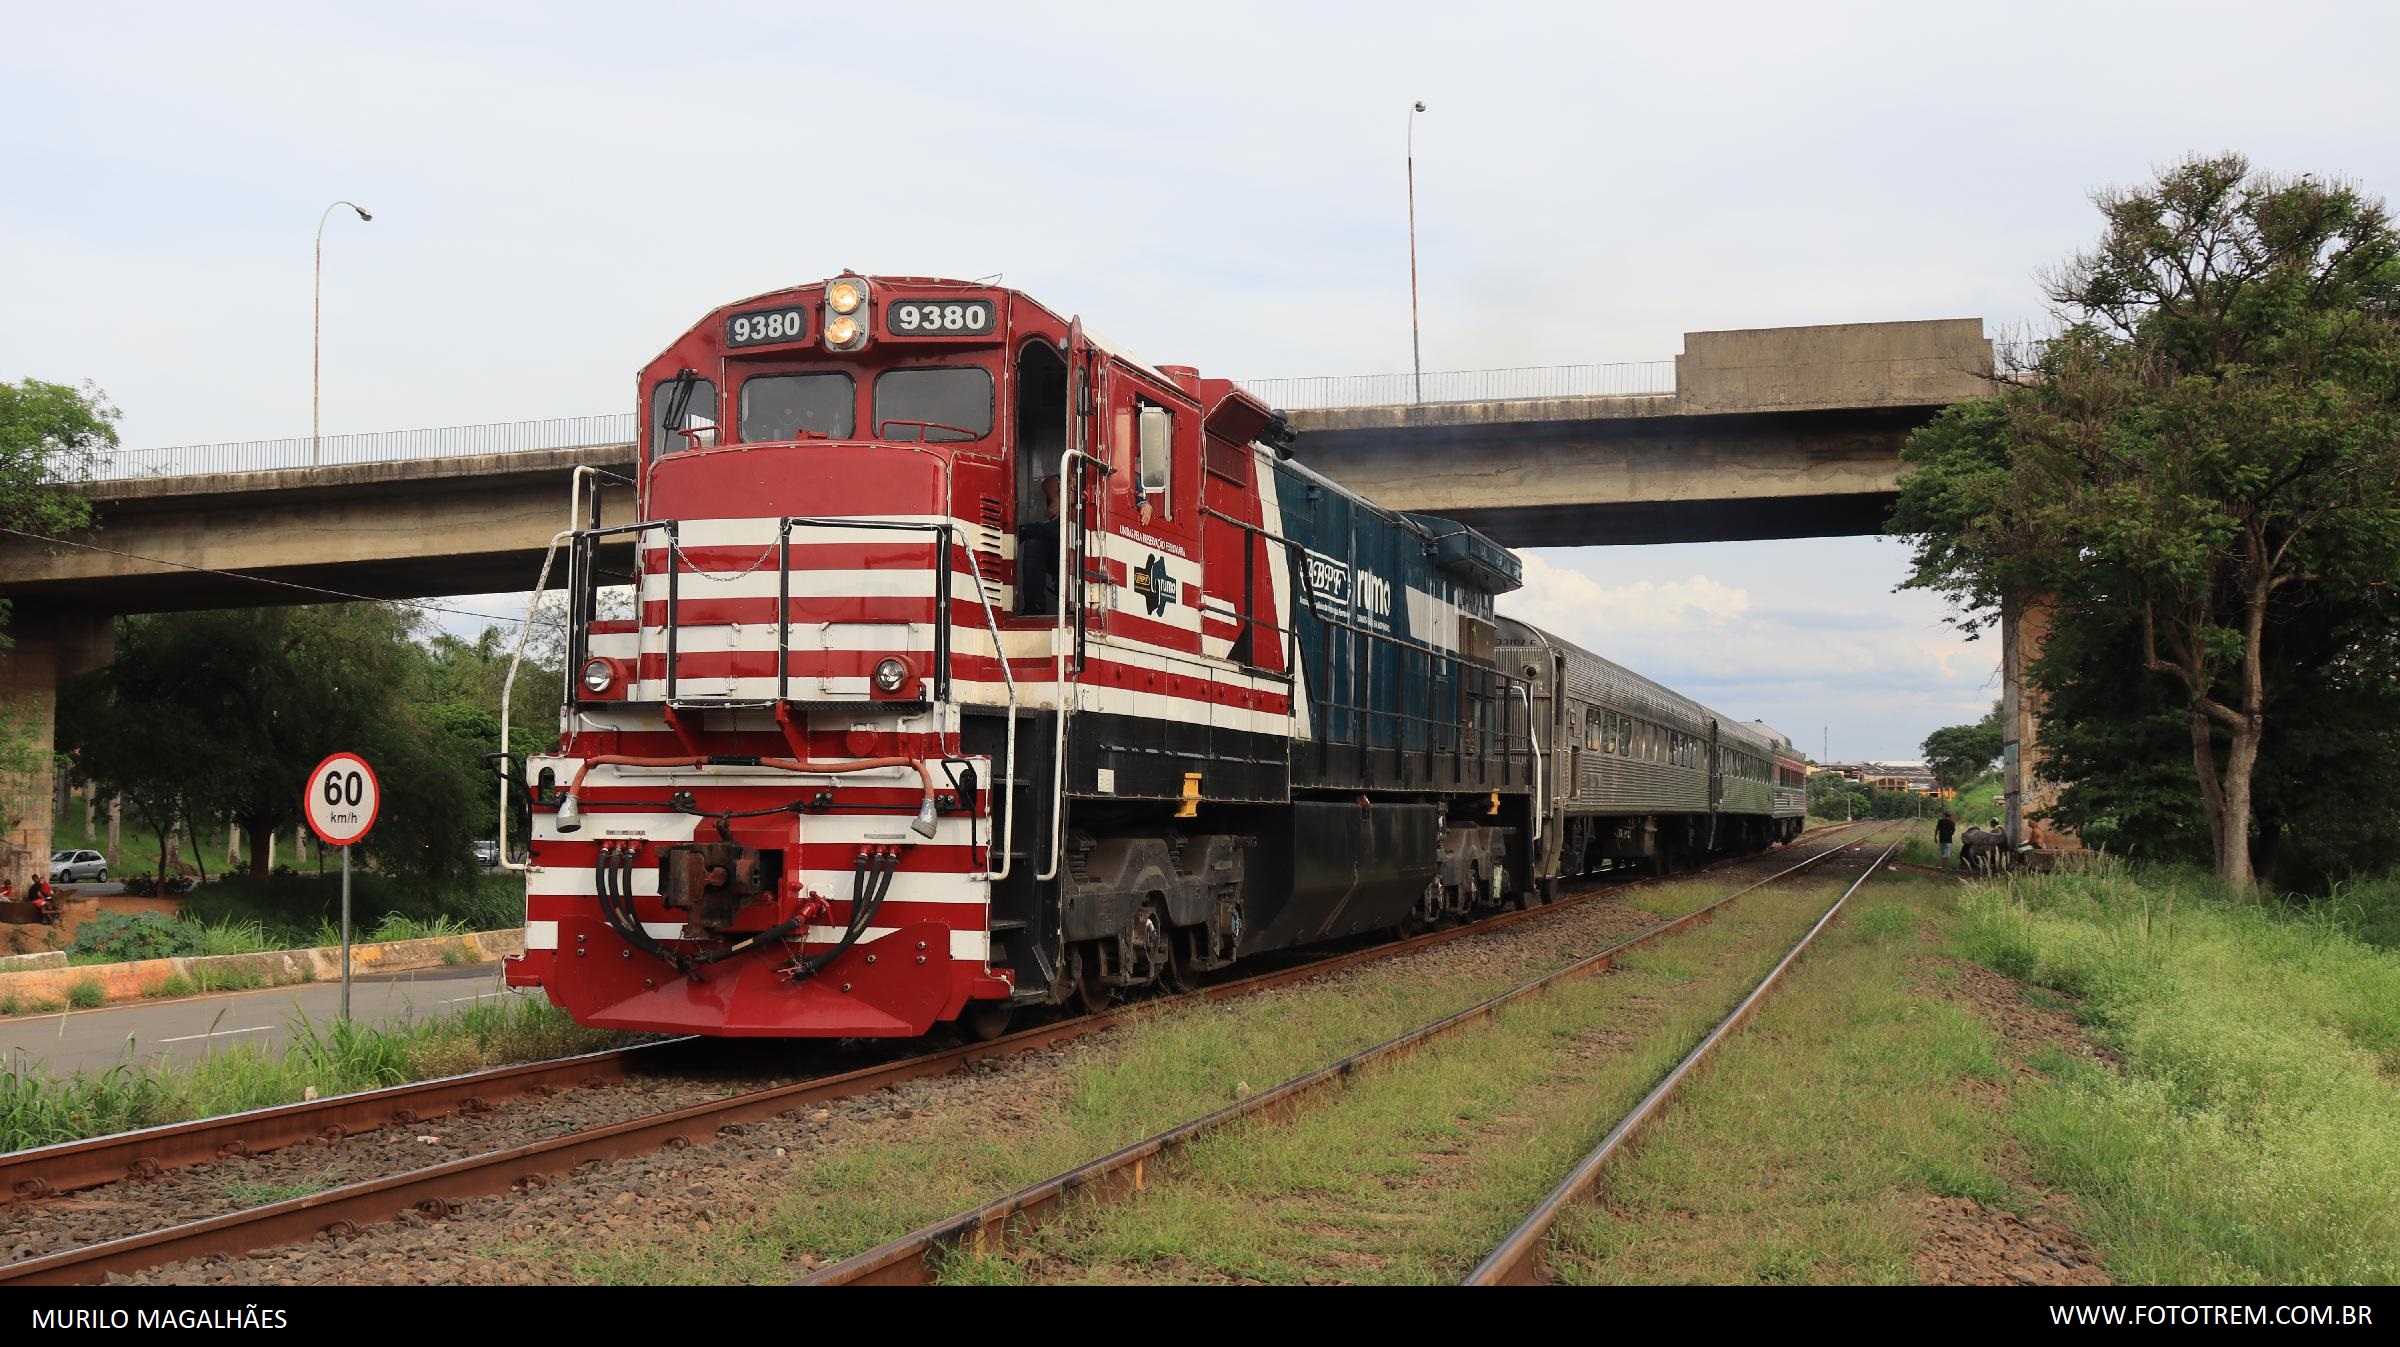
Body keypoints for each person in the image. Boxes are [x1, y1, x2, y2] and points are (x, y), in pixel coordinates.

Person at [1016, 475, 1062, 617]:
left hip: (1080, 547)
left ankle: (1026, 530)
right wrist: (1057, 500)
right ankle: (1034, 606)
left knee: (1061, 528)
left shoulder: (1101, 481)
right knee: (1034, 544)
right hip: (1055, 549)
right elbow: (1049, 481)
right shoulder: (1074, 470)